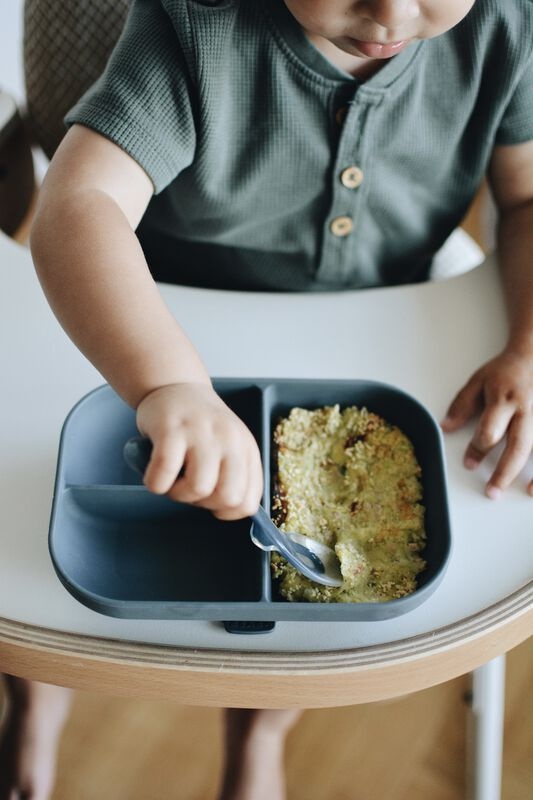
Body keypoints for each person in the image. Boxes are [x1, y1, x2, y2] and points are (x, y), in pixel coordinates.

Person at [1, 0, 532, 797]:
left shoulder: (505, 23)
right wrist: (167, 380)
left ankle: (261, 726)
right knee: (39, 558)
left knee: (312, 605)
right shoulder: (195, 25)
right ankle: (37, 700)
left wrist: (527, 344)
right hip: (160, 330)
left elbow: (525, 201)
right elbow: (80, 206)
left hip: (377, 334)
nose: (390, 11)